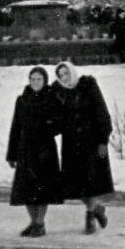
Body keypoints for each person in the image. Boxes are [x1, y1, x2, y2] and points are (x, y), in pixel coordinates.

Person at [53, 61, 113, 234]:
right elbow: (55, 116)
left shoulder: (88, 85)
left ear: (72, 71)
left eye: (66, 73)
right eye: (61, 75)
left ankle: (90, 217)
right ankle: (97, 209)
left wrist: (103, 140)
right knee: (75, 184)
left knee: (91, 181)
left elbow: (102, 112)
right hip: (71, 144)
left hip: (91, 142)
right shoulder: (59, 92)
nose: (65, 77)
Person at [6, 66, 64, 238]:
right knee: (26, 189)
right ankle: (33, 222)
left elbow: (60, 122)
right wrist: (12, 154)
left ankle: (40, 223)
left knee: (43, 189)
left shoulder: (52, 99)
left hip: (45, 149)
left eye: (39, 79)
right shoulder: (22, 100)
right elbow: (15, 127)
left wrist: (48, 127)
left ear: (44, 81)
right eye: (33, 79)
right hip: (26, 150)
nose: (35, 82)